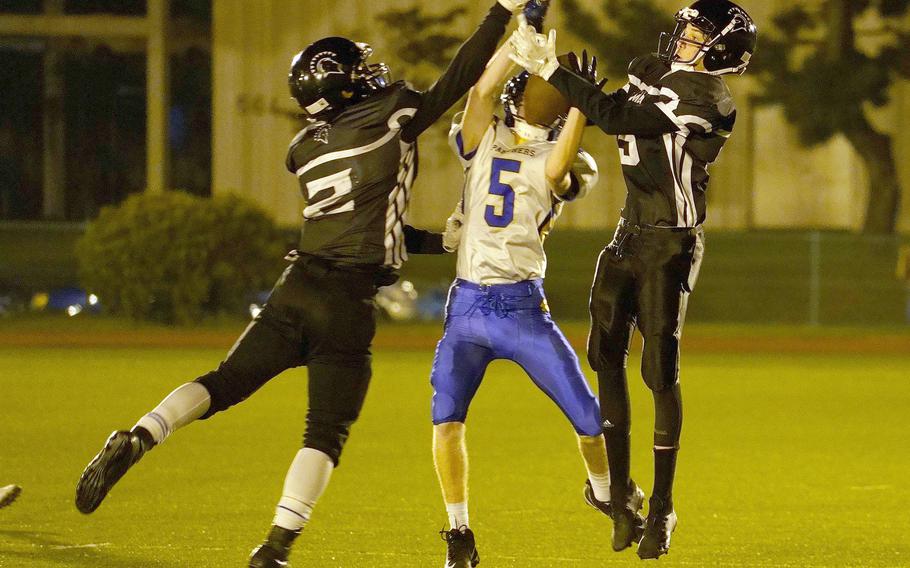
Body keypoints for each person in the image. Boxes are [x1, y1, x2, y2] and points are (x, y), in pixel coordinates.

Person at [74, 2, 530, 567]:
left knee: (223, 382)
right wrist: (502, 16)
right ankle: (275, 546)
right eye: (358, 70)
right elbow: (459, 79)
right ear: (346, 88)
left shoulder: (307, 148)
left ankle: (140, 434)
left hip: (297, 285)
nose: (371, 74)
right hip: (346, 301)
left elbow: (356, 220)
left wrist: (436, 241)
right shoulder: (393, 112)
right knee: (324, 433)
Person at [509, 0, 757, 559]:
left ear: (721, 48)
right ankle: (620, 496)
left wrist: (555, 75)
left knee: (658, 373)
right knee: (604, 357)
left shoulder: (710, 98)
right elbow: (604, 111)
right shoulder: (652, 70)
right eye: (686, 28)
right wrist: (558, 91)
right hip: (629, 233)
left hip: (672, 240)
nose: (683, 37)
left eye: (696, 32)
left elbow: (624, 119)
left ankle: (663, 506)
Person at [428, 27, 608, 566]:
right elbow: (483, 95)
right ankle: (459, 531)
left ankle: (602, 489)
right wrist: (524, 50)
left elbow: (555, 165)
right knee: (447, 418)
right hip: (474, 307)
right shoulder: (495, 142)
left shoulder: (549, 156)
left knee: (591, 419)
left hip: (516, 307)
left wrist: (563, 89)